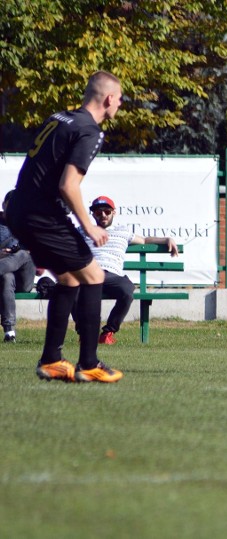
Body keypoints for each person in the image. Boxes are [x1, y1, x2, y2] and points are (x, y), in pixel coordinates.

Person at [6, 70, 124, 383]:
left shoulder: (59, 118)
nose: (121, 105)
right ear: (109, 99)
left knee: (70, 279)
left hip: (18, 209)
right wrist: (90, 226)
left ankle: (51, 361)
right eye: (120, 99)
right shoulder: (90, 131)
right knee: (94, 275)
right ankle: (89, 364)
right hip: (42, 215)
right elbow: (68, 185)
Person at [71, 195, 179, 345]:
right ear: (93, 214)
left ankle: (108, 332)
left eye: (107, 211)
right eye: (98, 212)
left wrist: (166, 239)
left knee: (127, 291)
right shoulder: (83, 231)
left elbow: (145, 240)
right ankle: (84, 332)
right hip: (89, 273)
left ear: (114, 212)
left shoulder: (123, 231)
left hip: (112, 275)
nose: (103, 215)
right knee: (72, 288)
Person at [0, 190, 38, 343]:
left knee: (24, 254)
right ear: (4, 205)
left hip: (24, 276)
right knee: (7, 278)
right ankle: (10, 332)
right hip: (4, 274)